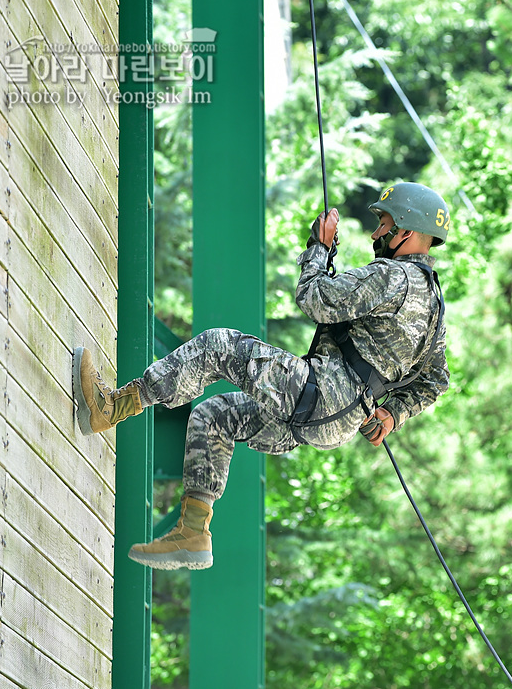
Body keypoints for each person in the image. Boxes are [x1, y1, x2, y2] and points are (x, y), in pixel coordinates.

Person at [72, 182, 450, 570]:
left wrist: (319, 248)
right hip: (337, 420)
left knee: (217, 346)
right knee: (215, 416)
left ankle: (110, 408)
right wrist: (392, 414)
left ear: (405, 229)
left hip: (320, 395)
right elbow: (436, 379)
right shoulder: (435, 308)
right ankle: (193, 532)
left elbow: (315, 299)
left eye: (383, 223)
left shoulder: (394, 277)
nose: (376, 234)